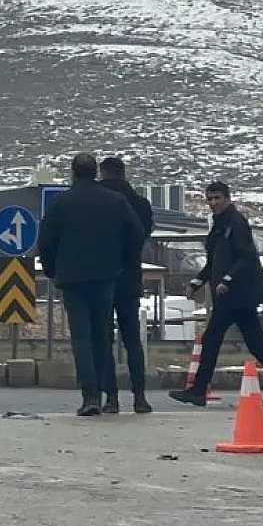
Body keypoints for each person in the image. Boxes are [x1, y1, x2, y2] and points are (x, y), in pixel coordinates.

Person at [36, 152, 146, 416]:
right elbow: (137, 234)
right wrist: (122, 262)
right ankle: (128, 395)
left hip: (73, 280)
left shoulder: (61, 204)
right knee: (101, 337)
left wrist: (53, 270)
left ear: (73, 172)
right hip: (106, 277)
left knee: (82, 338)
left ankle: (91, 396)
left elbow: (46, 242)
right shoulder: (114, 201)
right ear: (95, 172)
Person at [170, 181, 263, 408]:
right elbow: (215, 261)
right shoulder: (219, 226)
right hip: (233, 296)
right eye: (210, 199)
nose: (213, 203)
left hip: (236, 294)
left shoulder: (235, 223)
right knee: (257, 343)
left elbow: (246, 256)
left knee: (212, 339)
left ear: (227, 198)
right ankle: (197, 390)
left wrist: (228, 279)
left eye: (217, 198)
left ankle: (198, 391)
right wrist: (197, 281)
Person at [97, 156, 156, 413]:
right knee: (132, 339)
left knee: (104, 338)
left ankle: (111, 397)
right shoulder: (140, 203)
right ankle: (140, 397)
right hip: (130, 276)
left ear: (102, 173)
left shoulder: (97, 200)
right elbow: (145, 234)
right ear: (123, 173)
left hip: (101, 277)